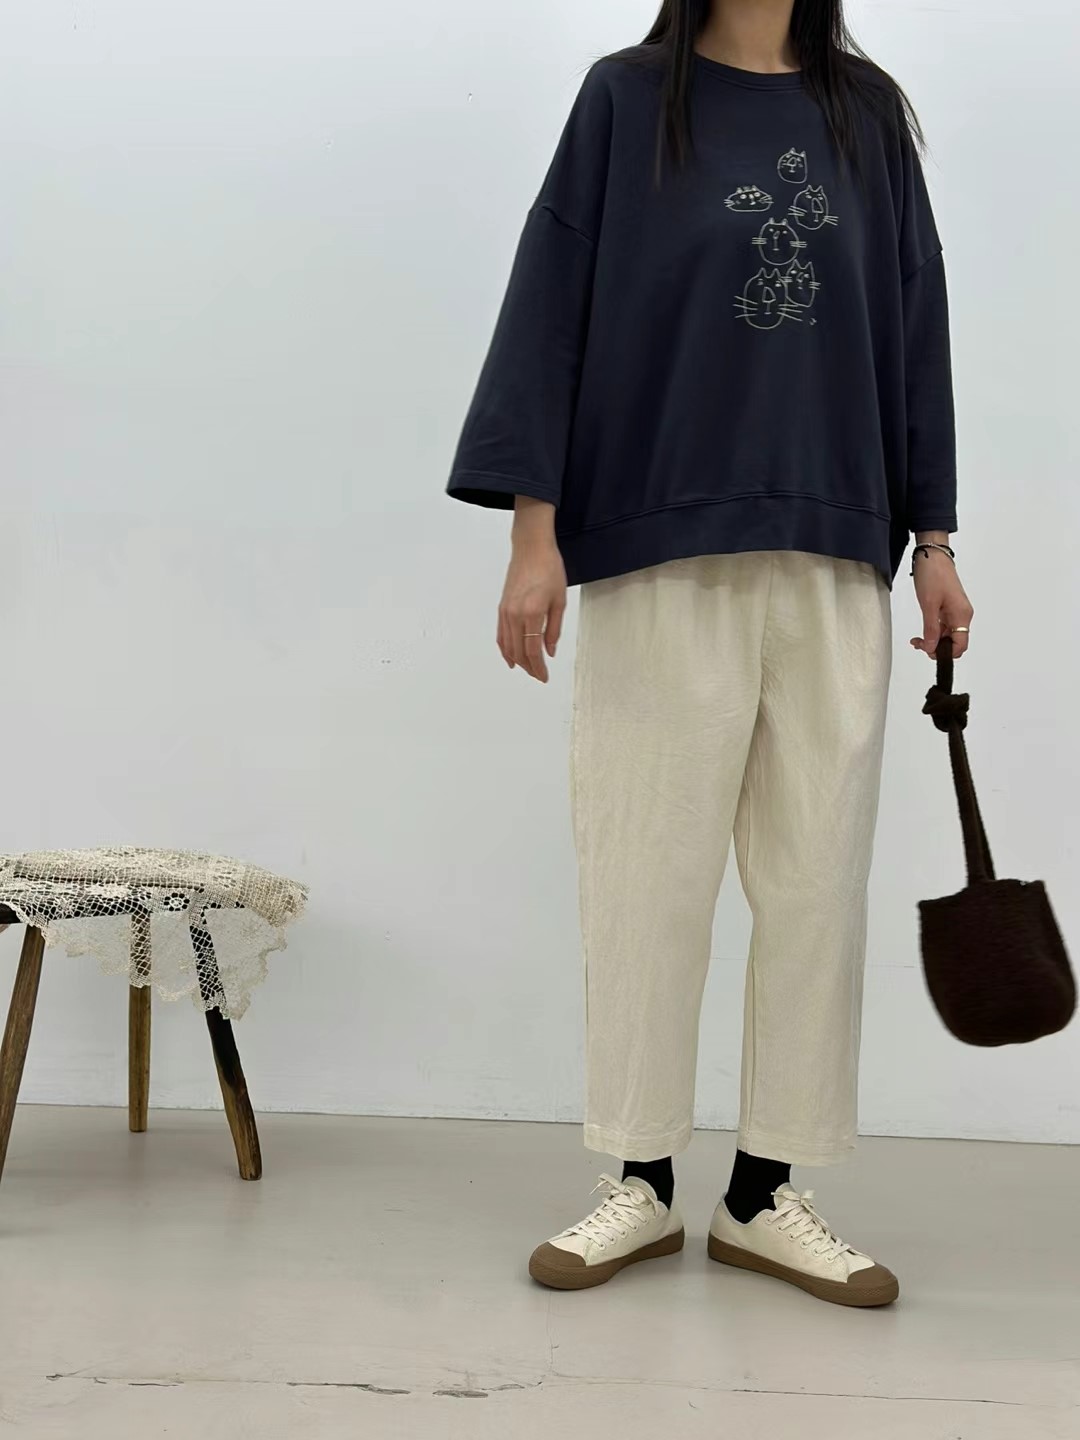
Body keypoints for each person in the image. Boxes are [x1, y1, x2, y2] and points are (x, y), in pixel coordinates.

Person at [447, 0, 973, 1307]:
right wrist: (532, 532)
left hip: (835, 542)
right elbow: (551, 305)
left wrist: (936, 539)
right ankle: (639, 1178)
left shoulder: (866, 116)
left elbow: (916, 319)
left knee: (815, 883)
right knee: (647, 871)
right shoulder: (626, 100)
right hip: (657, 541)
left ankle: (762, 1195)